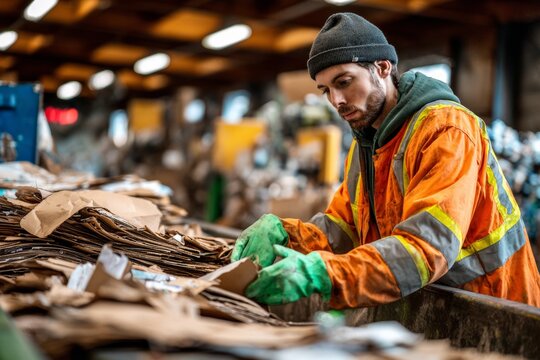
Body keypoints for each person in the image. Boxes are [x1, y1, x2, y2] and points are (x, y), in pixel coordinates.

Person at [231, 12, 540, 308]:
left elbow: (426, 248)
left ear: (382, 67)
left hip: (495, 308)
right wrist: (287, 235)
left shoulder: (446, 130)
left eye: (344, 82)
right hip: (432, 305)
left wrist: (324, 274)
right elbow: (343, 230)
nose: (336, 101)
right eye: (326, 90)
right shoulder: (367, 143)